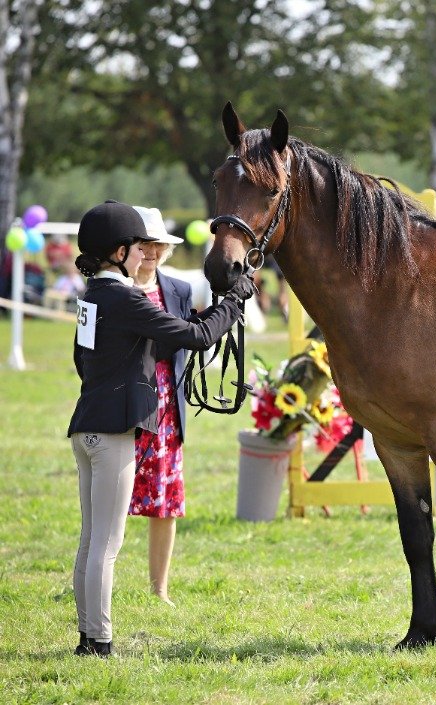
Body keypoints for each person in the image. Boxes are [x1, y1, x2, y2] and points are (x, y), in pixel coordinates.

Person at [68, 200, 253, 658]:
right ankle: (100, 640)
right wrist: (234, 300)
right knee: (106, 545)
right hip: (114, 433)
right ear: (117, 252)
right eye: (135, 246)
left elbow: (80, 360)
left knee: (91, 539)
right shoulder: (125, 297)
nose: (142, 254)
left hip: (85, 425)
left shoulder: (90, 296)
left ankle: (88, 634)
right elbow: (196, 336)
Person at [128, 206, 189, 606]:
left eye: (157, 244)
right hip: (127, 407)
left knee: (165, 503)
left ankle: (160, 588)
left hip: (169, 410)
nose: (151, 251)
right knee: (113, 501)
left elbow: (190, 339)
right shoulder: (115, 290)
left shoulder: (179, 291)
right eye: (143, 243)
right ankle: (100, 584)